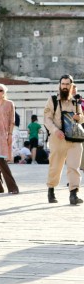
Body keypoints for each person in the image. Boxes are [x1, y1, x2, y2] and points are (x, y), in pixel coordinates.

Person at [44, 74, 83, 205]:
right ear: (60, 85)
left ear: (72, 86)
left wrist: (80, 118)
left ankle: (73, 194)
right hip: (57, 138)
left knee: (74, 167)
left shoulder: (76, 101)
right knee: (55, 166)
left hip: (74, 139)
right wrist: (55, 131)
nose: (65, 86)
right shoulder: (53, 100)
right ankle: (51, 190)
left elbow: (82, 117)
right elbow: (47, 118)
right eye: (63, 84)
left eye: (68, 84)